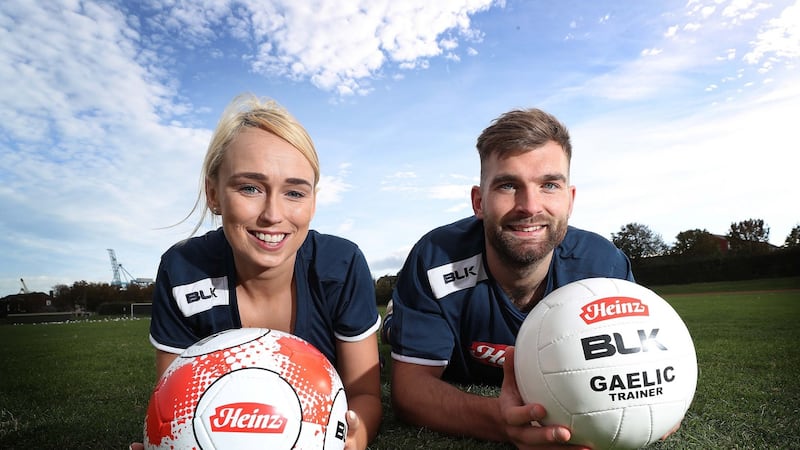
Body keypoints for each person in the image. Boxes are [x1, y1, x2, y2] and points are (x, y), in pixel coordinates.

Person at [138, 94, 382, 450]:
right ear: (214, 193)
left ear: (313, 201)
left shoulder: (340, 265)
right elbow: (172, 405)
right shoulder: (183, 270)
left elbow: (363, 392)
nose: (272, 214)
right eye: (250, 188)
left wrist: (353, 439)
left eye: (294, 192)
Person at [382, 108, 635, 448]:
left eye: (549, 185)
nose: (530, 206)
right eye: (507, 185)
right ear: (479, 202)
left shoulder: (603, 265)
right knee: (394, 338)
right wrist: (503, 423)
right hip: (443, 346)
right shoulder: (435, 258)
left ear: (570, 200)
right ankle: (397, 318)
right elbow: (411, 392)